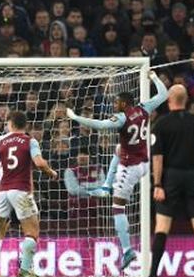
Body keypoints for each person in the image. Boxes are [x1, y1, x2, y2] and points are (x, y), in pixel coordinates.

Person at [66, 71, 168, 270]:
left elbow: (99, 125)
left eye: (116, 103)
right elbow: (163, 95)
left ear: (123, 103)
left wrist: (76, 117)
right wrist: (155, 77)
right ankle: (105, 186)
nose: (114, 105)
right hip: (144, 163)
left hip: (129, 169)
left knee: (117, 208)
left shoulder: (121, 118)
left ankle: (128, 250)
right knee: (118, 149)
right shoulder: (145, 108)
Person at [0, 111, 57, 277]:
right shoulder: (30, 141)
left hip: (3, 191)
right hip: (21, 192)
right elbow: (39, 163)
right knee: (32, 232)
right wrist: (51, 172)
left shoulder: (0, 141)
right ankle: (25, 271)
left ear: (10, 124)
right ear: (25, 125)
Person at [149, 84, 194, 277]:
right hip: (193, 176)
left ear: (169, 99)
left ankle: (153, 273)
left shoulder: (161, 124)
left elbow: (157, 157)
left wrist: (157, 184)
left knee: (162, 226)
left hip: (170, 176)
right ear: (186, 100)